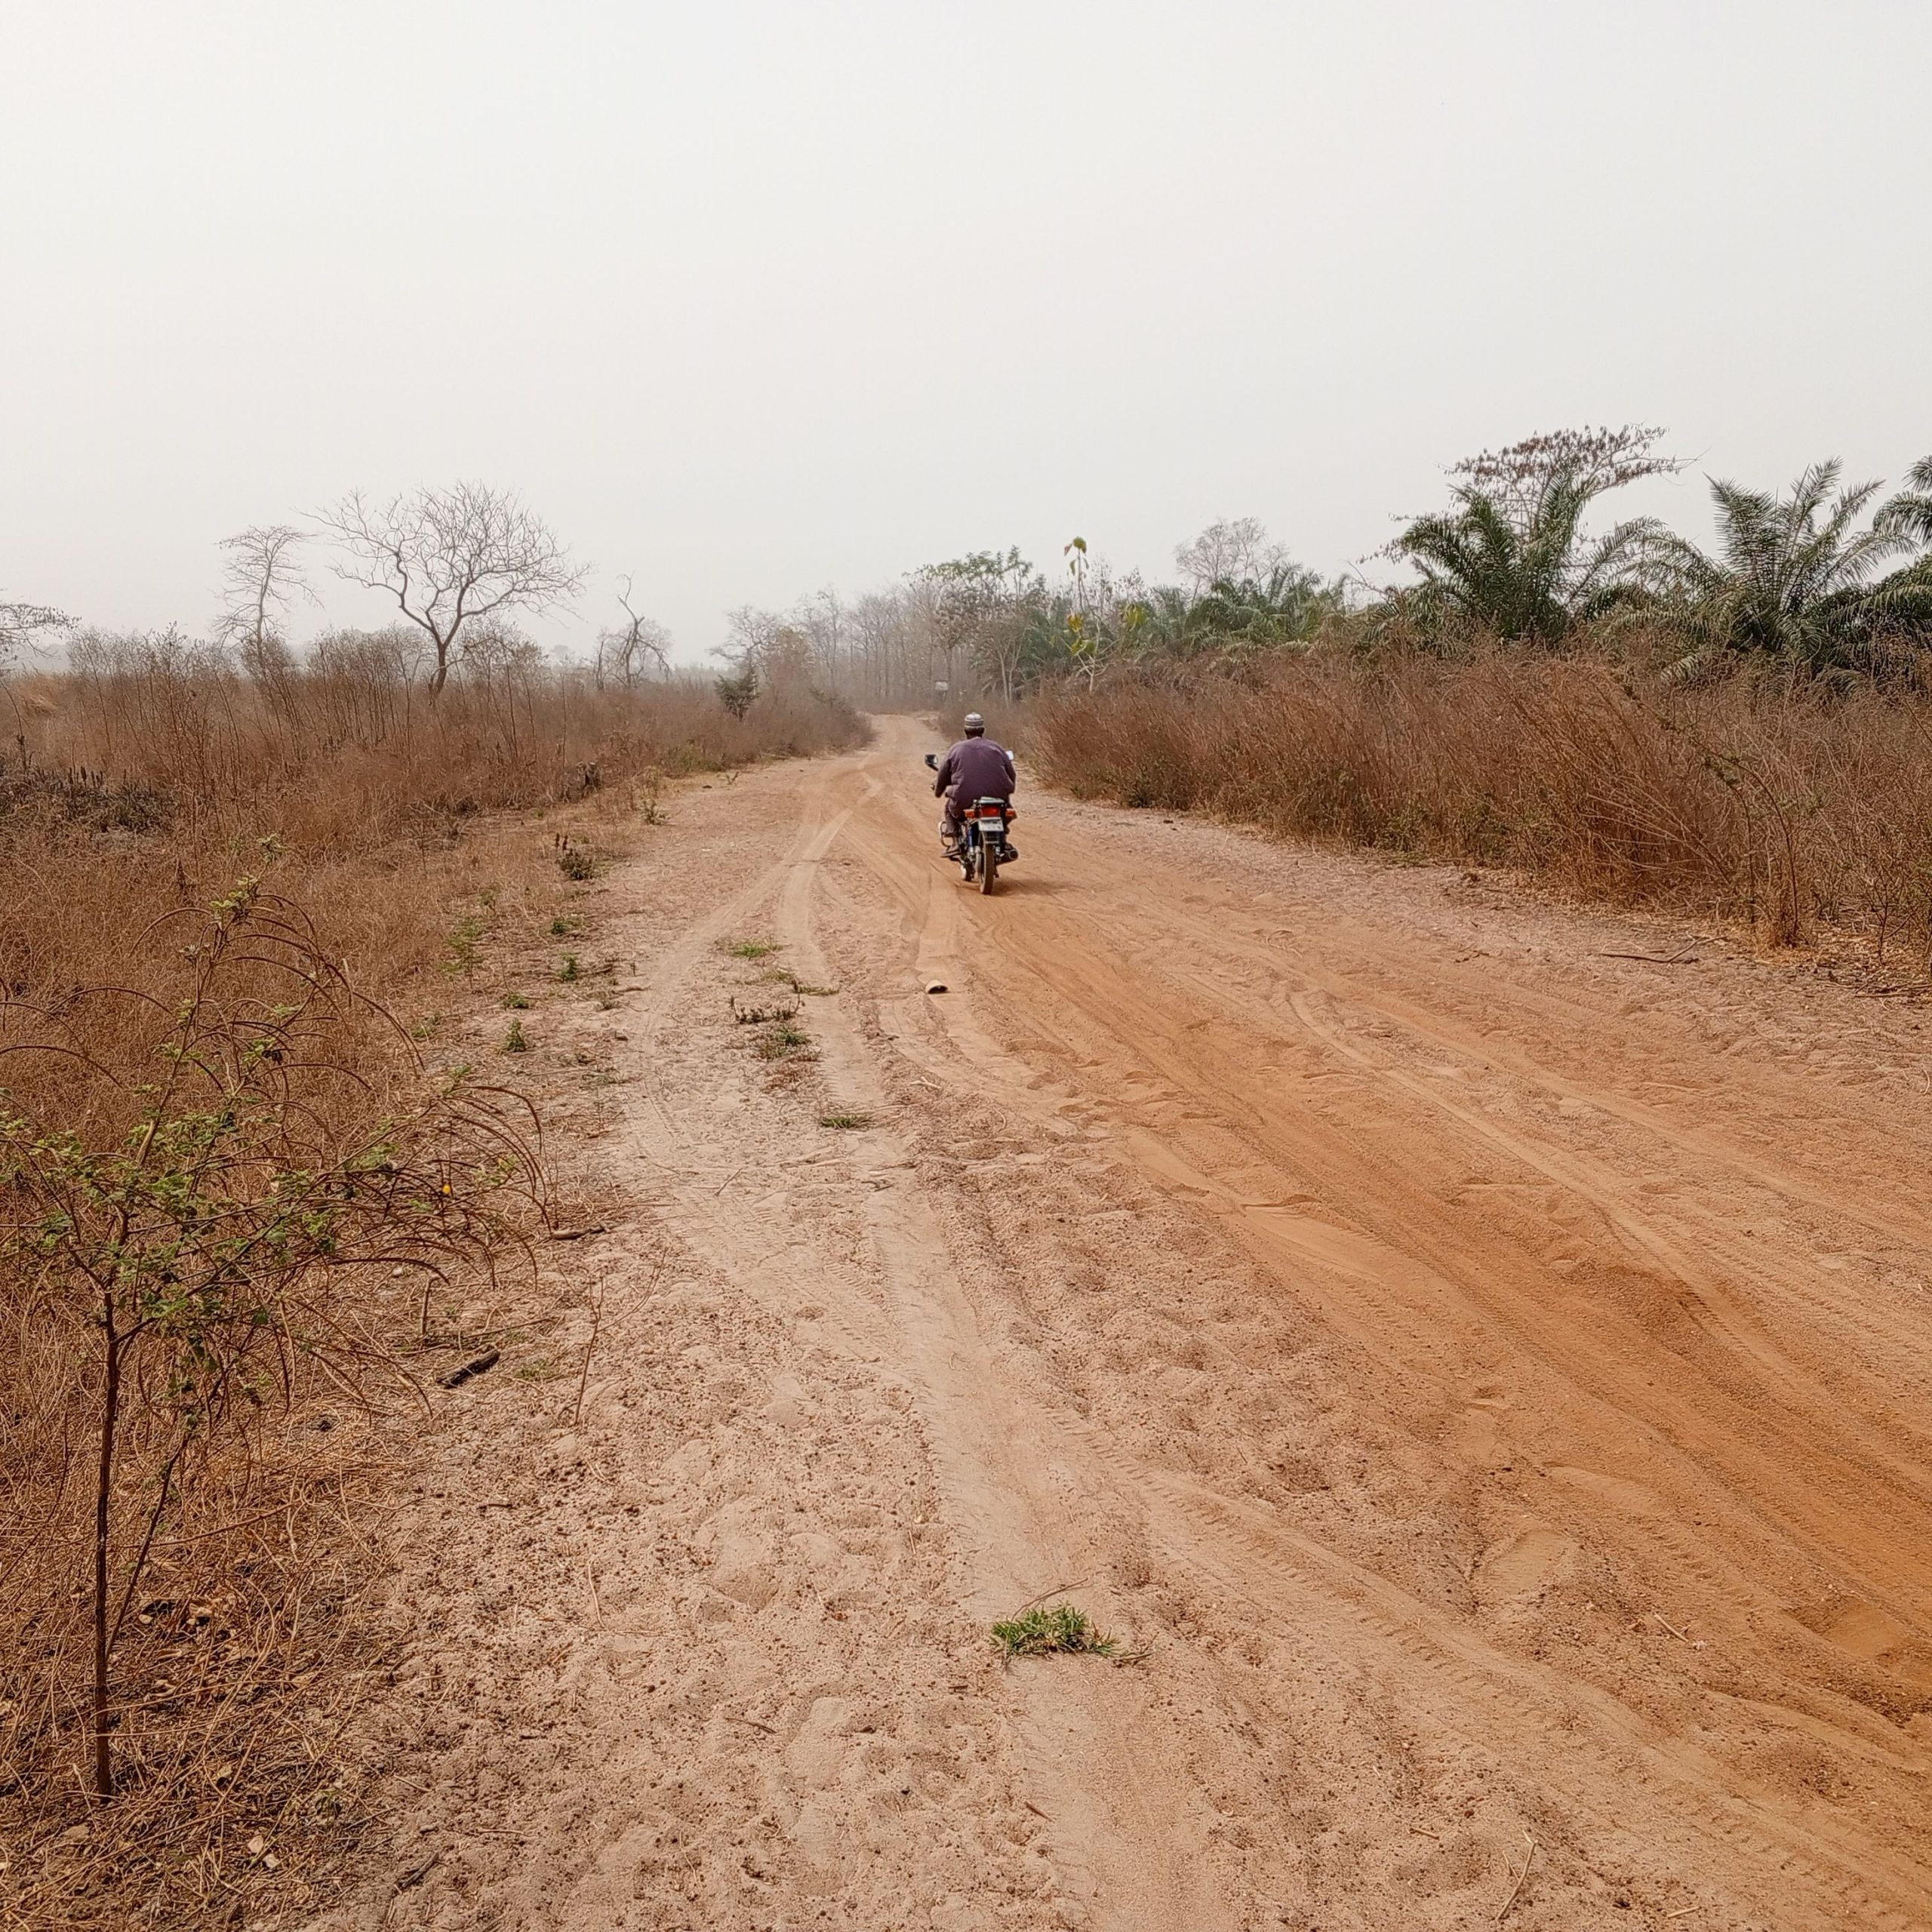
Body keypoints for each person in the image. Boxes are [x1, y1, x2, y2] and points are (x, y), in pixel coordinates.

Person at [932, 713, 1018, 860]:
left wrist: (938, 790)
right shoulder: (996, 748)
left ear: (965, 731)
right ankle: (1002, 839)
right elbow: (1012, 775)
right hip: (998, 800)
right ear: (983, 730)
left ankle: (955, 843)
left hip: (964, 800)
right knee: (1006, 812)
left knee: (949, 808)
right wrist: (1007, 789)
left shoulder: (956, 749)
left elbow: (943, 775)